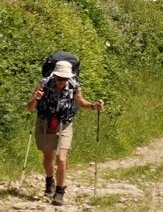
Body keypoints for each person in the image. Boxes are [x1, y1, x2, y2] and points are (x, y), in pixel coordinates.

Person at [26, 60, 105, 206]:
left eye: (64, 78)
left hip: (65, 124)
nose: (61, 81)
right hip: (45, 123)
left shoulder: (74, 86)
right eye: (59, 78)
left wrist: (95, 106)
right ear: (54, 75)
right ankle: (49, 180)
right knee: (48, 157)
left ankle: (59, 191)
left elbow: (81, 103)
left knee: (61, 159)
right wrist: (35, 98)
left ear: (69, 77)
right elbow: (30, 108)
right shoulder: (44, 84)